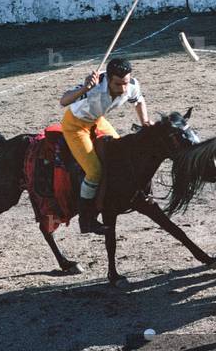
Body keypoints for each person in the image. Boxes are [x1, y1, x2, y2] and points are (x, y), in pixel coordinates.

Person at [59, 57, 150, 235]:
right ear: (108, 78)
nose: (122, 89)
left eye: (125, 83)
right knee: (94, 171)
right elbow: (63, 101)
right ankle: (86, 219)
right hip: (75, 126)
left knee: (122, 155)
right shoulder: (94, 86)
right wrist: (85, 88)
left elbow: (139, 100)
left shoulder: (130, 85)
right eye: (117, 84)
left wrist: (145, 121)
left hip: (96, 121)